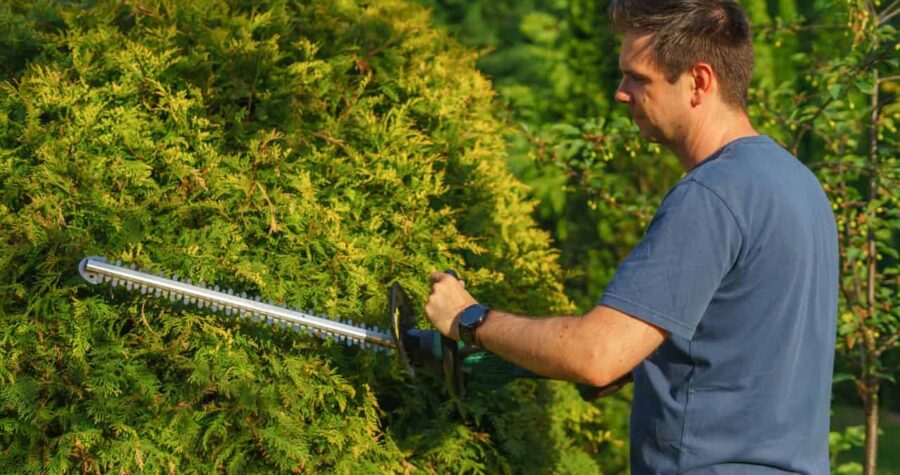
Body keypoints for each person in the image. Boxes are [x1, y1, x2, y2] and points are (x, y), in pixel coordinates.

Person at [424, 0, 839, 473]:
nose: (621, 93)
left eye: (638, 77)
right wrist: (527, 356)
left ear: (699, 82)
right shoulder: (798, 185)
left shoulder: (711, 195)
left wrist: (470, 320)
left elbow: (596, 354)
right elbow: (745, 342)